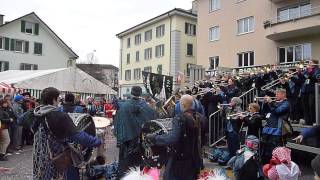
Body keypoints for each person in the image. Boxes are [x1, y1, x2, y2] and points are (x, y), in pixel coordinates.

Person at [32, 87, 101, 180]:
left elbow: (30, 128)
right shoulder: (59, 115)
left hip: (41, 157)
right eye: (58, 99)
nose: (59, 101)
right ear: (54, 99)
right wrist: (96, 141)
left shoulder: (36, 114)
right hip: (59, 157)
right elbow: (78, 136)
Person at [146, 95, 202, 180]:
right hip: (193, 159)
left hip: (178, 160)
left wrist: (155, 138)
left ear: (182, 105)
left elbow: (173, 138)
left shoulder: (180, 118)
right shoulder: (199, 117)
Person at [113, 86, 157, 178]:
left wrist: (120, 138)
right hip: (142, 145)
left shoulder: (123, 107)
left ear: (131, 93)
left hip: (127, 144)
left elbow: (118, 124)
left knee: (125, 170)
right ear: (140, 94)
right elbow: (153, 124)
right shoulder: (148, 108)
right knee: (140, 170)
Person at [261, 89, 290, 164]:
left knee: (276, 148)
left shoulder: (286, 103)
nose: (276, 95)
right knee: (266, 148)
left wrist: (270, 102)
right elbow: (264, 111)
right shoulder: (274, 102)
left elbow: (277, 111)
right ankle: (267, 165)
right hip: (269, 127)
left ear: (283, 95)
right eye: (276, 94)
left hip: (278, 128)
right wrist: (265, 103)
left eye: (278, 94)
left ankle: (277, 166)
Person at [221, 97, 243, 164]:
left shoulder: (238, 109)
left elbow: (236, 119)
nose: (230, 102)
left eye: (232, 101)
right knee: (230, 147)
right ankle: (231, 162)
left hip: (234, 130)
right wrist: (222, 109)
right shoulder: (230, 108)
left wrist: (230, 117)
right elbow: (223, 116)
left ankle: (235, 162)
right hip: (228, 130)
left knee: (234, 147)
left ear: (236, 102)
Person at [301, 60, 320, 125]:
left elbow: (316, 79)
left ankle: (313, 121)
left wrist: (310, 72)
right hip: (304, 91)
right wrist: (299, 72)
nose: (308, 64)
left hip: (312, 90)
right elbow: (302, 78)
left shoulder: (317, 70)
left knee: (311, 105)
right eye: (308, 63)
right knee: (305, 106)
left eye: (310, 63)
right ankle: (307, 121)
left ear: (315, 64)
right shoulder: (306, 70)